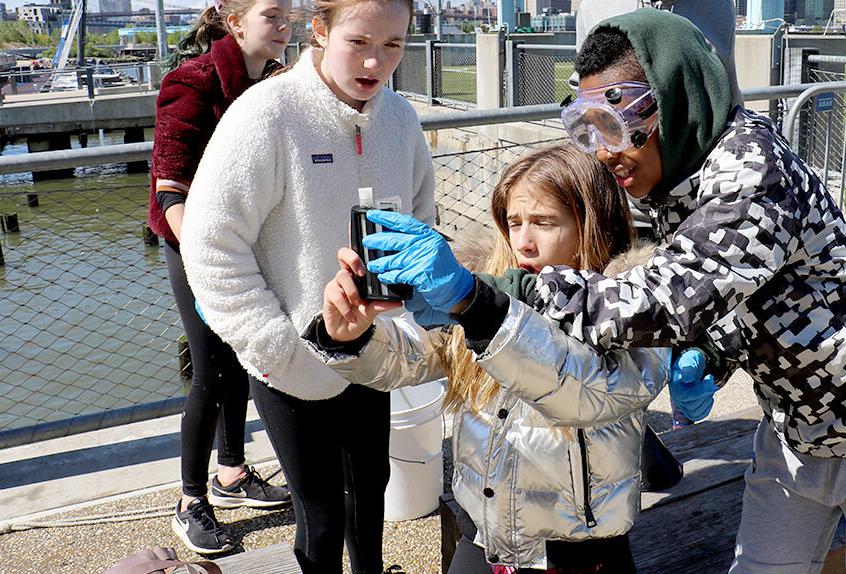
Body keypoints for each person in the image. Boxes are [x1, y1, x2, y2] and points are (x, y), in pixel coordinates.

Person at [359, 10, 846, 574]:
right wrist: (712, 357)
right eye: (585, 128)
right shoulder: (681, 181)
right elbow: (744, 297)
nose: (601, 150)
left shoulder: (750, 171)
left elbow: (661, 302)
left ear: (673, 101)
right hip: (799, 433)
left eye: (613, 127)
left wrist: (483, 294)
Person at [307, 142, 671, 573]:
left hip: (580, 553)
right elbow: (409, 356)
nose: (524, 243)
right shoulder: (487, 287)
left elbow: (591, 394)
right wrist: (349, 336)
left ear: (594, 225)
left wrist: (480, 310)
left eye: (543, 222)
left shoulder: (638, 304)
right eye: (513, 223)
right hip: (481, 539)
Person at [178, 0, 435, 570]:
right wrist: (275, 344)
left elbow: (421, 219)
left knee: (371, 492)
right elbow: (209, 241)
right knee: (318, 514)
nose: (376, 61)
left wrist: (406, 315)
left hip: (374, 347)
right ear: (319, 31)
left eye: (393, 45)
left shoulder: (400, 118)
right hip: (292, 355)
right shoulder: (266, 115)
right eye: (359, 41)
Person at [146, 0, 293, 555]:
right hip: (191, 239)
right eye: (272, 16)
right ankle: (189, 499)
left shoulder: (275, 82)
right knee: (209, 366)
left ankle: (231, 473)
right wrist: (206, 257)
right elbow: (170, 183)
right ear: (235, 22)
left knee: (241, 354)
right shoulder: (192, 79)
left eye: (288, 18)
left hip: (246, 235)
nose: (285, 27)